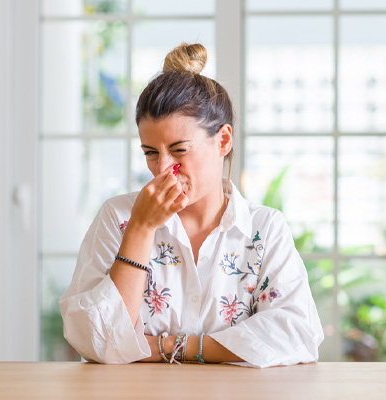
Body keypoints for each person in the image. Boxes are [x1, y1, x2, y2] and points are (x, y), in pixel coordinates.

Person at [59, 43, 324, 368]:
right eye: (150, 152)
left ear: (223, 140)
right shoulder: (118, 218)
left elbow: (298, 335)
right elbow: (94, 341)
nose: (162, 169)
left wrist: (172, 346)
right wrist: (140, 229)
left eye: (179, 150)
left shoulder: (264, 229)